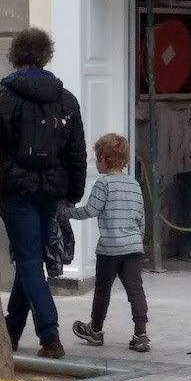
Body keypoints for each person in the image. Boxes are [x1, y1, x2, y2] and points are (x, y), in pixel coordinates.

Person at [0, 28, 86, 358]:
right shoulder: (66, 99)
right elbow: (77, 152)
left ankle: (50, 335)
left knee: (29, 259)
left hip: (15, 191)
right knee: (29, 258)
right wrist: (73, 192)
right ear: (47, 55)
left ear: (16, 56)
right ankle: (11, 332)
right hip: (50, 191)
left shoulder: (3, 97)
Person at [65, 134, 151, 353]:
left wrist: (66, 213)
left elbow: (91, 210)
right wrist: (137, 241)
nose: (96, 162)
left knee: (102, 290)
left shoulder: (103, 183)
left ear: (104, 158)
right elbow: (141, 217)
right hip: (132, 248)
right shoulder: (133, 184)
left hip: (110, 249)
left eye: (97, 158)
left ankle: (95, 329)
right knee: (135, 290)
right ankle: (140, 333)